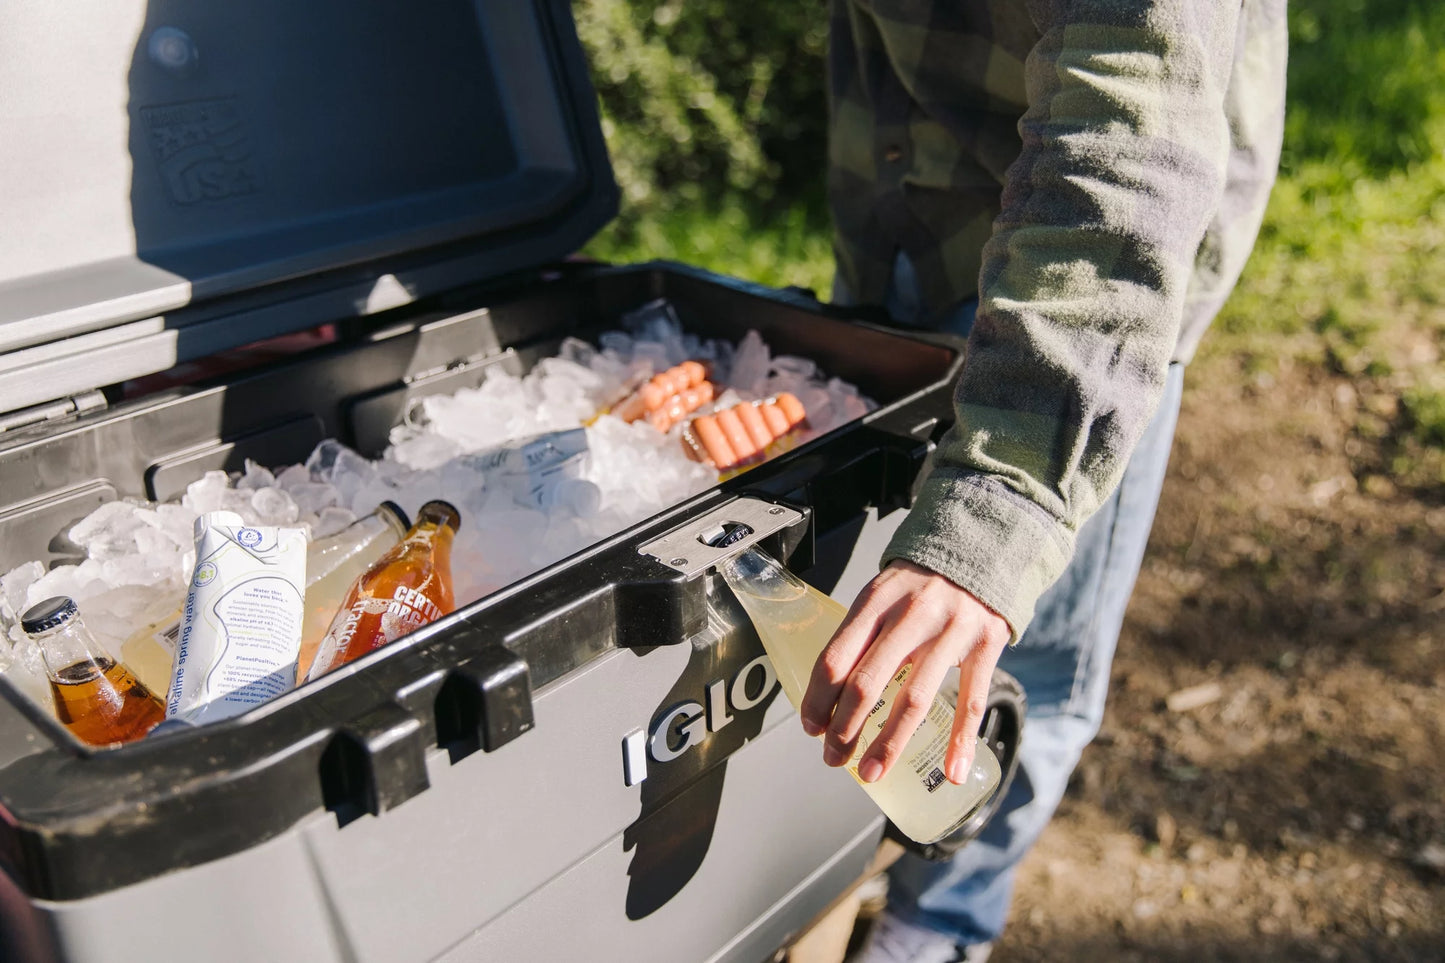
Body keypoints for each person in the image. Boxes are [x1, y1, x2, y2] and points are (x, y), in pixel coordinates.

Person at [808, 1, 1288, 959]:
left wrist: (997, 517)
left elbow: (1130, 136)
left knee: (1029, 664)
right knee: (900, 632)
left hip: (1098, 283)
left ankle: (939, 921)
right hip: (908, 228)